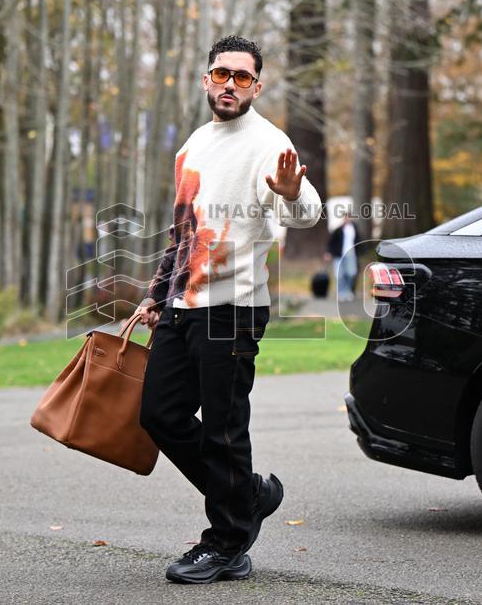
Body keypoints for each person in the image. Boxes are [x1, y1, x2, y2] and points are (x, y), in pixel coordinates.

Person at [131, 35, 322, 584]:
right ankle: (248, 494)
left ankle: (227, 543)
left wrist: (290, 193)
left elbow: (307, 211)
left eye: (243, 77)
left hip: (232, 308)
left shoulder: (268, 142)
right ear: (206, 79)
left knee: (223, 429)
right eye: (222, 74)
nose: (231, 84)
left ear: (256, 86)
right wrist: (156, 293)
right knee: (158, 415)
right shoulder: (191, 146)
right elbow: (183, 234)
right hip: (183, 305)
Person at [325, 214, 361, 302]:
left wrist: (360, 253)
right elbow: (331, 242)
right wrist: (329, 253)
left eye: (349, 217)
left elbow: (359, 242)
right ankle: (341, 292)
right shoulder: (338, 230)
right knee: (339, 274)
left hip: (351, 254)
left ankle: (348, 291)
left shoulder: (354, 229)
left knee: (351, 273)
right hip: (339, 254)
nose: (347, 219)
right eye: (346, 217)